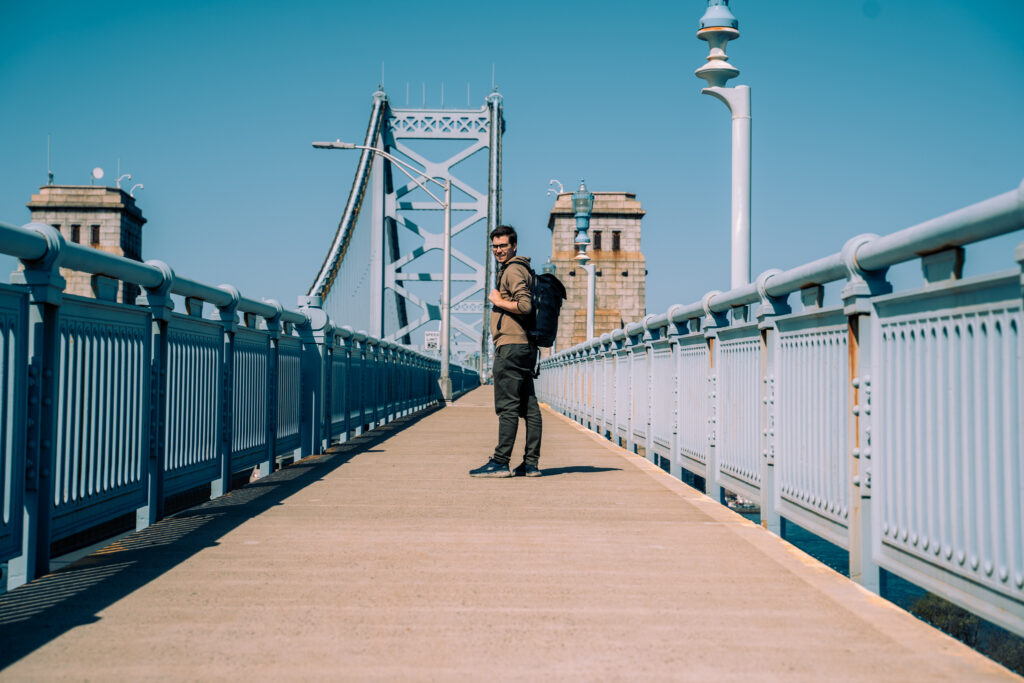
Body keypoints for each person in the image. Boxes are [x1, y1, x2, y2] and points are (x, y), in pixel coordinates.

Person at [469, 225, 542, 478]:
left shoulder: (512, 270)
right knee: (529, 407)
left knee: (507, 407)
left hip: (511, 347)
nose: (499, 250)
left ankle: (500, 462)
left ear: (514, 246)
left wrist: (498, 302)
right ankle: (531, 464)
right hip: (525, 346)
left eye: (503, 245)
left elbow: (525, 305)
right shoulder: (522, 269)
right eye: (495, 246)